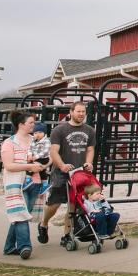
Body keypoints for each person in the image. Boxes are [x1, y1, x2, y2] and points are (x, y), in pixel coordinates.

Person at [39, 101, 94, 244]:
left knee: (74, 205)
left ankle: (67, 235)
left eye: (83, 112)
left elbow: (90, 149)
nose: (81, 114)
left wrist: (89, 162)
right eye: (78, 111)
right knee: (54, 204)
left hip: (79, 172)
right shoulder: (60, 130)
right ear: (71, 112)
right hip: (61, 172)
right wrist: (61, 165)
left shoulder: (89, 130)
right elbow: (54, 151)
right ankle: (44, 224)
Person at [1, 110, 46, 259]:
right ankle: (25, 246)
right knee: (20, 213)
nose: (34, 125)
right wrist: (29, 167)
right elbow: (9, 165)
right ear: (21, 124)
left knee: (21, 215)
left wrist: (42, 164)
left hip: (35, 182)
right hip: (16, 183)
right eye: (31, 122)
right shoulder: (9, 143)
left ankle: (9, 247)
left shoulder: (36, 141)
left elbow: (47, 156)